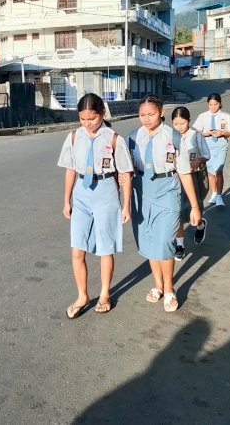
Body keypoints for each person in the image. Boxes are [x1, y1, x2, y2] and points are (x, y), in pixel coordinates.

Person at [57, 93, 133, 318]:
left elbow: (126, 174)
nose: (87, 124)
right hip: (81, 193)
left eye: (92, 118)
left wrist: (126, 205)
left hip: (106, 192)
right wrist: (66, 200)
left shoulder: (113, 139)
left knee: (105, 248)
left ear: (102, 114)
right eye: (82, 119)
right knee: (76, 250)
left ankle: (104, 294)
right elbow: (70, 170)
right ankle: (82, 295)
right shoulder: (73, 137)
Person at [126, 95, 201, 313]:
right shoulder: (132, 137)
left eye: (151, 114)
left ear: (161, 112)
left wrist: (195, 206)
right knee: (150, 241)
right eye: (142, 115)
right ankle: (157, 285)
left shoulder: (174, 137)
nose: (146, 119)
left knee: (166, 241)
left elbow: (185, 173)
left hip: (168, 189)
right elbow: (125, 171)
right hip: (142, 191)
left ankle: (169, 288)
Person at [171, 106, 211, 259]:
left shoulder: (195, 135)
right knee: (178, 212)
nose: (179, 127)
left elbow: (206, 154)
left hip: (192, 177)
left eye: (182, 123)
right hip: (175, 178)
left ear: (188, 121)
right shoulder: (171, 136)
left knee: (195, 209)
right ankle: (180, 245)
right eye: (176, 124)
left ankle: (200, 225)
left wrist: (198, 161)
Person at [193, 93, 230, 206]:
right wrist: (205, 133)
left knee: (219, 170)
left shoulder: (226, 116)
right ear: (208, 104)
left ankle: (219, 196)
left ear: (220, 104)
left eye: (216, 104)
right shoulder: (202, 116)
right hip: (207, 148)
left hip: (221, 147)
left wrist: (223, 133)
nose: (213, 107)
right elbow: (196, 133)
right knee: (210, 172)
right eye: (211, 104)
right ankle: (213, 193)